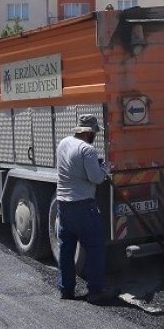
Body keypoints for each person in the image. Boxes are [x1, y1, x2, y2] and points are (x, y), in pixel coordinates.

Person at [55, 114, 111, 303]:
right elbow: (96, 178)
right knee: (95, 248)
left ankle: (66, 289)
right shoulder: (88, 150)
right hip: (83, 206)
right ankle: (95, 292)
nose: (95, 135)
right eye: (94, 131)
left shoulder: (63, 143)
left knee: (66, 249)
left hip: (63, 204)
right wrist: (105, 169)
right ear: (88, 132)